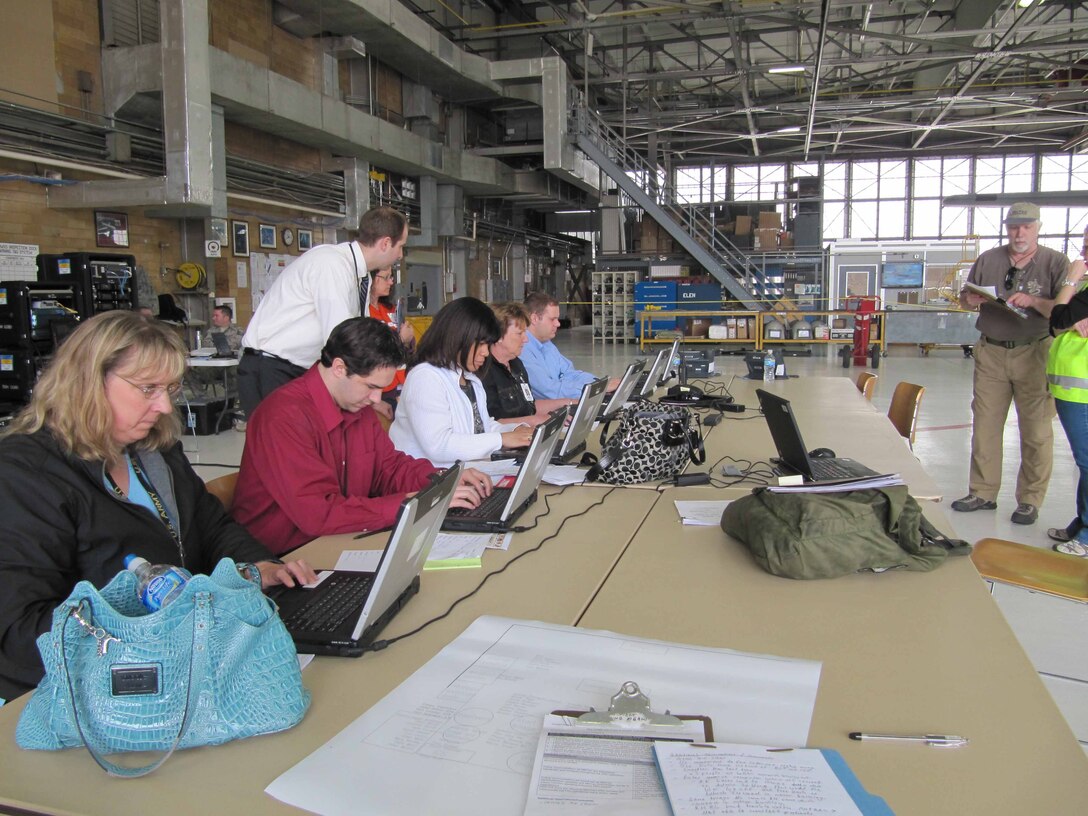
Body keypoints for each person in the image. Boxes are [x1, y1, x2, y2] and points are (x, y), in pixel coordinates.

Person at [0, 311, 316, 702]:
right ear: (86, 383)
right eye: (147, 388)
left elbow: (211, 525)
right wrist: (157, 630)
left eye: (170, 388)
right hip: (84, 693)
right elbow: (21, 631)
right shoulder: (25, 474)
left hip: (183, 663)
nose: (165, 407)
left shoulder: (153, 450)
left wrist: (258, 566)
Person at [233, 317, 493, 555]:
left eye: (382, 389)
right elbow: (319, 513)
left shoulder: (356, 404)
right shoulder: (283, 417)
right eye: (371, 387)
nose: (376, 399)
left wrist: (440, 480)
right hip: (285, 559)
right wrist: (409, 503)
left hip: (342, 538)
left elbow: (389, 468)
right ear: (338, 368)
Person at [952, 202, 1068, 525]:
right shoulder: (988, 259)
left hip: (1034, 351)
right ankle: (982, 492)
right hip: (991, 350)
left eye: (1027, 227)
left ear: (1038, 227)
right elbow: (965, 296)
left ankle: (1030, 499)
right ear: (1006, 228)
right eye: (1014, 227)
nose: (1020, 233)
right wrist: (970, 299)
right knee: (985, 425)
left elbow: (1062, 311)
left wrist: (1033, 301)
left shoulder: (1055, 262)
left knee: (1036, 430)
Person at [237, 207, 408, 418]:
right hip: (272, 369)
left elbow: (357, 338)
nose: (400, 255)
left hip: (299, 371)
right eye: (401, 246)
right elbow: (343, 341)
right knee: (282, 445)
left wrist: (370, 398)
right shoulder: (331, 264)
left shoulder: (360, 275)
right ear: (385, 243)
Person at [390, 297, 534, 467]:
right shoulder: (425, 378)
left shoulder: (468, 378)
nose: (486, 353)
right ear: (459, 338)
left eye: (488, 345)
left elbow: (480, 427)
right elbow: (439, 445)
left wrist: (516, 431)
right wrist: (502, 439)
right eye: (481, 344)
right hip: (428, 483)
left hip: (465, 473)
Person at [1046, 236, 1088, 555]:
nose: (1084, 254)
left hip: (1081, 391)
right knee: (1083, 461)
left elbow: (1058, 318)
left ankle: (1087, 535)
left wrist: (1072, 277)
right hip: (1072, 389)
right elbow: (1061, 324)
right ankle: (1082, 522)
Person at [480, 302, 575, 425]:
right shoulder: (484, 373)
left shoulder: (516, 364)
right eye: (519, 333)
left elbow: (529, 406)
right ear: (498, 335)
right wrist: (538, 420)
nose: (526, 339)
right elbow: (490, 424)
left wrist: (568, 403)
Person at [520, 292, 619, 400]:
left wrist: (600, 383)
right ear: (534, 318)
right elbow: (548, 391)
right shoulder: (522, 350)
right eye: (552, 319)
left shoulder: (546, 344)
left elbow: (569, 373)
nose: (558, 324)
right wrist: (597, 389)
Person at [367, 266, 415, 418]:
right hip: (380, 387)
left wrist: (408, 340)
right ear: (371, 279)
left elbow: (408, 345)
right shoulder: (364, 312)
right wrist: (401, 339)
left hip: (401, 382)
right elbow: (373, 351)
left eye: (392, 277)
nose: (391, 282)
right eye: (386, 277)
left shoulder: (391, 309)